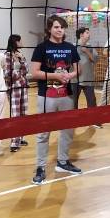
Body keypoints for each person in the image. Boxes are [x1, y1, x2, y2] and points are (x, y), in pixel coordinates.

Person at [30, 15, 81, 185]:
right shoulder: (42, 47)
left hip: (67, 95)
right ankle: (40, 167)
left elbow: (78, 70)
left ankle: (63, 162)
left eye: (62, 27)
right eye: (56, 27)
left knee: (67, 130)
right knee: (43, 133)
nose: (60, 30)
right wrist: (55, 76)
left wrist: (70, 75)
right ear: (49, 29)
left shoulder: (70, 47)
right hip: (47, 96)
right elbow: (35, 72)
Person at [3, 34, 29, 152]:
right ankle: (14, 142)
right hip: (14, 88)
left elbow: (26, 70)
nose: (22, 42)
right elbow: (7, 74)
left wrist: (22, 60)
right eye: (20, 40)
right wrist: (20, 75)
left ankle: (20, 138)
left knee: (23, 114)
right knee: (15, 115)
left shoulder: (20, 54)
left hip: (23, 87)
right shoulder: (7, 55)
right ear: (16, 42)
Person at [73, 27, 100, 127]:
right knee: (73, 102)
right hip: (75, 79)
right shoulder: (73, 47)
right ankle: (73, 121)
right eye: (87, 33)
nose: (89, 34)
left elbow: (95, 60)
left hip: (88, 79)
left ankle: (94, 121)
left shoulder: (90, 47)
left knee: (92, 101)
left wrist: (87, 51)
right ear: (81, 35)